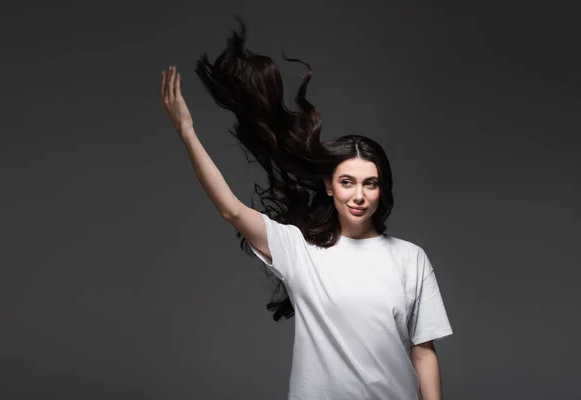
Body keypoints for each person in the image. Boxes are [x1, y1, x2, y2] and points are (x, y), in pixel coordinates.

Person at [160, 17, 453, 400]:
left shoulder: (410, 259)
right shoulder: (300, 250)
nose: (359, 195)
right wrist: (187, 132)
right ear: (330, 187)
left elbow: (423, 351)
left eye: (371, 183)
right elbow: (231, 211)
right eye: (347, 182)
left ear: (382, 190)